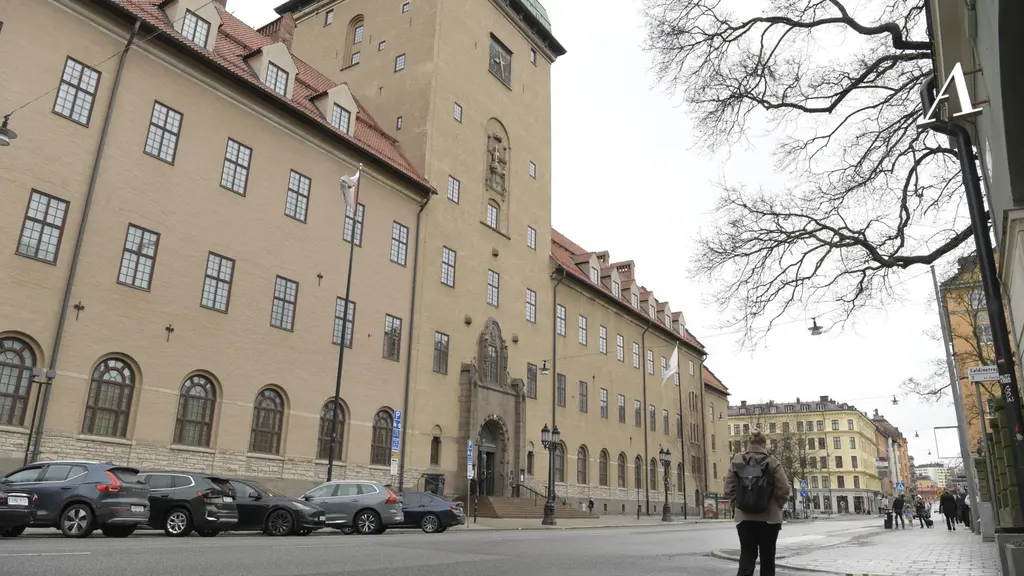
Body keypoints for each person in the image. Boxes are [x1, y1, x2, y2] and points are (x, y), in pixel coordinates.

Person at [725, 430, 791, 576]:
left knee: (747, 556)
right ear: (764, 443)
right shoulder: (772, 462)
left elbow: (728, 489)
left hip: (744, 518)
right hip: (769, 519)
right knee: (767, 559)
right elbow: (784, 489)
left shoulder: (737, 460)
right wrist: (777, 505)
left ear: (748, 443)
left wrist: (737, 505)